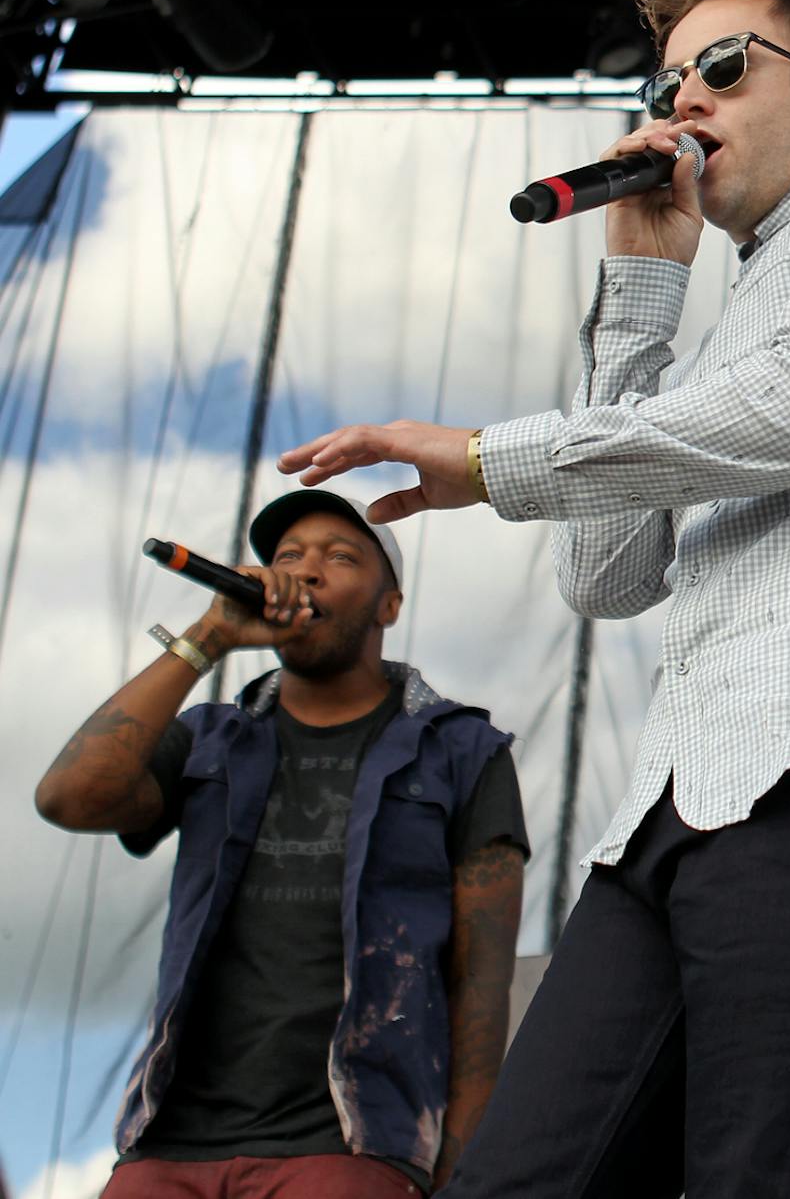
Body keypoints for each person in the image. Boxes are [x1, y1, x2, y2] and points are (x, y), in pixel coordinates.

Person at [274, 0, 790, 1199]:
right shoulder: (745, 291)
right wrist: (640, 296)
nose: (682, 102)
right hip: (676, 807)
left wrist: (484, 456)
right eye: (667, 80)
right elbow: (609, 573)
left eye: (724, 67)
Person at [33, 491, 529, 1197]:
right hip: (167, 1149)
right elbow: (68, 797)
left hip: (351, 1150)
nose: (307, 571)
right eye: (288, 557)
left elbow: (481, 981)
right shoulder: (211, 737)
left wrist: (460, 1169)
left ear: (389, 605)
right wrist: (208, 636)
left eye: (340, 556)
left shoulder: (462, 751)